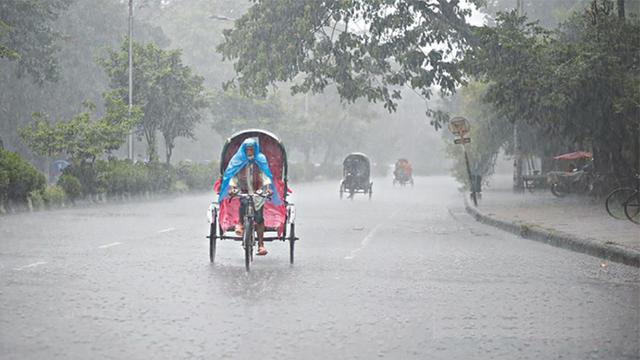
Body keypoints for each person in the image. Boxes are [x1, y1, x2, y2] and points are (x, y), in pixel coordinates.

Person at [218, 138, 280, 256]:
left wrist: (267, 187)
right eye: (247, 150)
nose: (249, 152)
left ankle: (261, 245)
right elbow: (233, 175)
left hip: (258, 192)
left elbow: (265, 175)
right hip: (244, 189)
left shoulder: (260, 159)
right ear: (244, 150)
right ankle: (240, 223)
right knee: (243, 204)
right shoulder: (238, 159)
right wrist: (232, 187)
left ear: (255, 150)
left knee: (259, 218)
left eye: (252, 150)